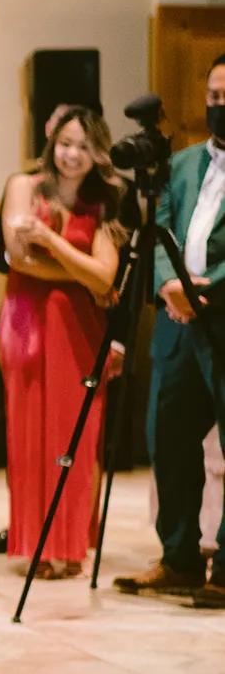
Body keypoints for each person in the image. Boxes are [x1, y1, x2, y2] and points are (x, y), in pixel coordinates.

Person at [0, 107, 123, 577]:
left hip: (80, 327)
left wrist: (51, 240)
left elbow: (106, 277)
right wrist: (83, 274)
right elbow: (19, 260)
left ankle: (69, 546)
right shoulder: (24, 186)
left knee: (78, 435)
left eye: (84, 146)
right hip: (26, 321)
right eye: (66, 144)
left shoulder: (106, 200)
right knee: (30, 433)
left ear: (99, 153)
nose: (73, 154)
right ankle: (36, 546)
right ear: (53, 144)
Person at [122, 54, 225, 604]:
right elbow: (158, 227)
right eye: (214, 96)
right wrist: (169, 285)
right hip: (177, 323)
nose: (219, 105)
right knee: (169, 441)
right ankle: (179, 557)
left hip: (221, 317)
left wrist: (204, 290)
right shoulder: (183, 163)